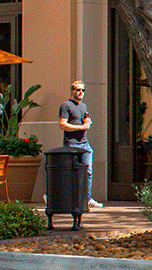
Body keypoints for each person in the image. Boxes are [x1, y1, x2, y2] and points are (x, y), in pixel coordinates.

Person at [59, 80, 104, 208]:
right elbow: (62, 125)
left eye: (82, 90)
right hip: (72, 144)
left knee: (88, 172)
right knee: (70, 173)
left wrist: (88, 121)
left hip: (85, 144)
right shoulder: (66, 106)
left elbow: (84, 119)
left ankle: (87, 199)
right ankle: (55, 196)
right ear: (72, 91)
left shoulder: (83, 106)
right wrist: (82, 127)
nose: (80, 92)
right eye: (78, 90)